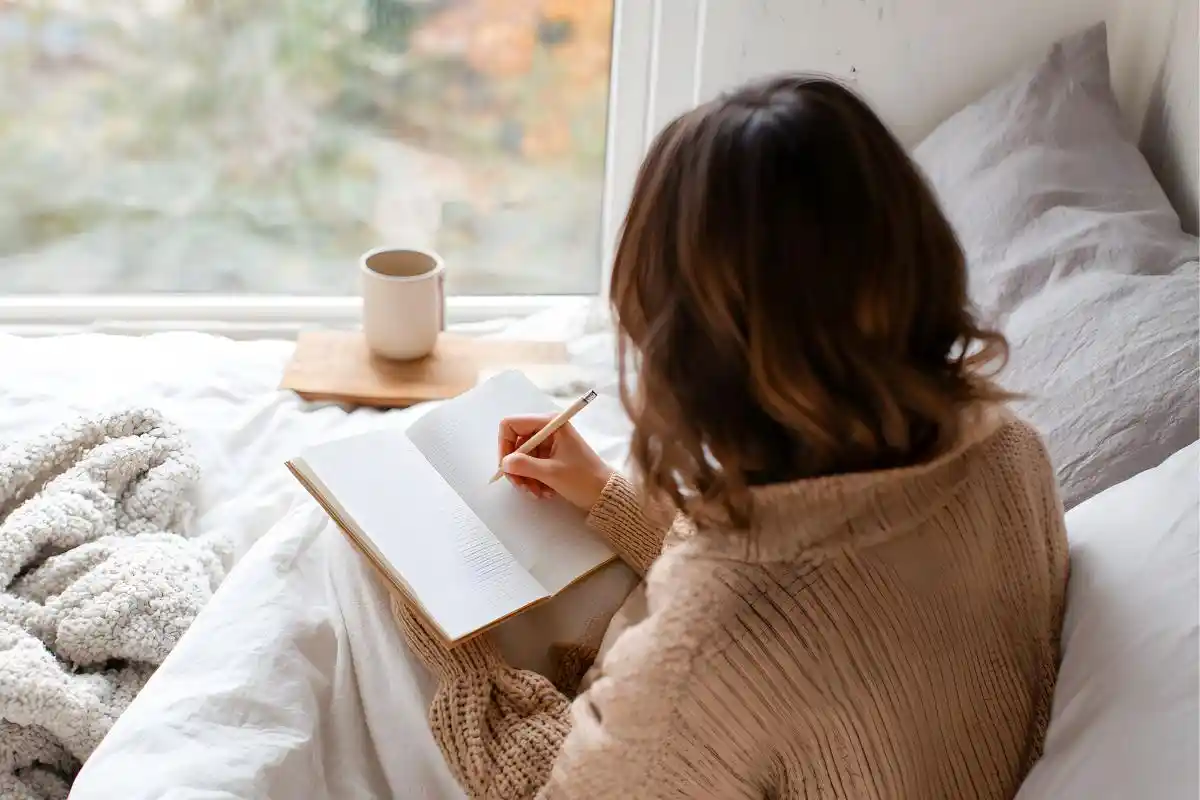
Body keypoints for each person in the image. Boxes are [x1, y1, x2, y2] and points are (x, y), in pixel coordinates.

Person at [394, 74, 1069, 799]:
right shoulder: (1010, 453)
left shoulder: (714, 643)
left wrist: (466, 666)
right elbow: (830, 577)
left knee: (355, 586)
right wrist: (610, 498)